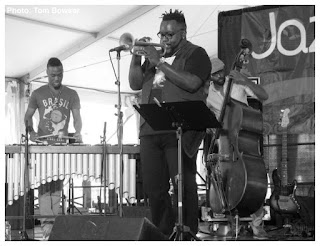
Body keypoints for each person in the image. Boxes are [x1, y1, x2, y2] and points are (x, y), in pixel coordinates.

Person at [129, 9, 211, 239]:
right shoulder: (153, 58)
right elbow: (135, 83)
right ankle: (162, 234)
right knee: (155, 189)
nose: (164, 39)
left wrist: (161, 63)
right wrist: (136, 58)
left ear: (183, 34)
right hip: (149, 128)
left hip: (180, 129)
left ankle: (187, 233)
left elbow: (193, 83)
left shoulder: (197, 54)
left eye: (170, 35)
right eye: (161, 34)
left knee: (183, 186)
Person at [205, 57, 269, 239]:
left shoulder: (236, 84)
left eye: (221, 71)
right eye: (214, 74)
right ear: (209, 76)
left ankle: (257, 224)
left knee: (254, 180)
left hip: (246, 140)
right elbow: (211, 122)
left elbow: (264, 96)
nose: (219, 76)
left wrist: (245, 81)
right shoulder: (208, 95)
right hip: (226, 145)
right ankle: (234, 223)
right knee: (226, 181)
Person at [24, 57, 82, 240]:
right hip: (42, 146)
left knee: (56, 186)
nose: (56, 79)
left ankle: (54, 226)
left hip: (62, 147)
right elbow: (28, 117)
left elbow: (77, 118)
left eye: (59, 75)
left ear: (62, 72)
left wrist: (78, 132)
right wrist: (31, 131)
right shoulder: (37, 93)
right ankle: (47, 226)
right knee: (43, 186)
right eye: (52, 75)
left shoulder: (72, 94)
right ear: (47, 74)